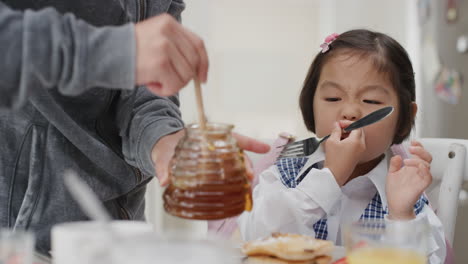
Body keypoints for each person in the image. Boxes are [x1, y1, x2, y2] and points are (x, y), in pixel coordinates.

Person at [0, 0, 269, 255]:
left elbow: (145, 92)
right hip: (22, 240)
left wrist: (163, 137)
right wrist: (111, 51)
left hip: (122, 233)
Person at [238, 29, 446, 264]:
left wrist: (401, 214)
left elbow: (430, 259)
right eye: (333, 98)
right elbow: (256, 239)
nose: (349, 112)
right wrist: (330, 177)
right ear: (310, 105)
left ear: (405, 117)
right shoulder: (284, 174)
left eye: (371, 101)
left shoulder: (404, 191)